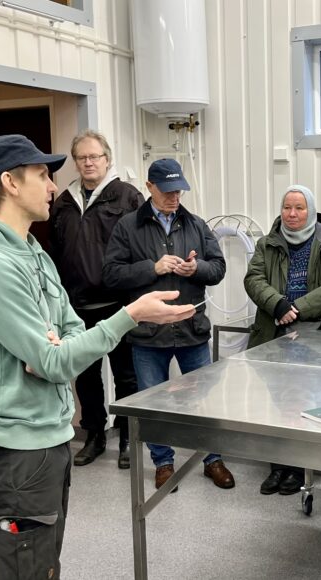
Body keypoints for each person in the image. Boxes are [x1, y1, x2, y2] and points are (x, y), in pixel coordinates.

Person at [0, 134, 194, 580]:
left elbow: (71, 327)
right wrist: (128, 316)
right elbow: (56, 361)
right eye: (42, 175)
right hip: (18, 448)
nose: (51, 186)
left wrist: (52, 348)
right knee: (25, 569)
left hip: (49, 436)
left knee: (43, 564)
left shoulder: (31, 251)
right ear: (9, 182)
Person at [103, 158, 235, 492]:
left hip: (192, 331)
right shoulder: (127, 227)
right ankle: (163, 464)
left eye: (178, 190)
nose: (173, 197)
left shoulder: (196, 224)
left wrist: (198, 269)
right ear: (149, 187)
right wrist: (153, 267)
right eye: (166, 191)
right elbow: (112, 275)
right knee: (153, 407)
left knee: (206, 402)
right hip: (148, 335)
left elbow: (218, 268)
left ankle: (212, 459)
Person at [243, 185, 321, 495]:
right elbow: (253, 278)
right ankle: (278, 465)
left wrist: (297, 308)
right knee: (277, 402)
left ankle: (300, 467)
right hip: (274, 333)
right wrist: (277, 303)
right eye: (287, 207)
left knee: (308, 401)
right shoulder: (267, 243)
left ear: (310, 211)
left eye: (299, 208)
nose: (291, 213)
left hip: (317, 335)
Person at [48, 130, 144, 469]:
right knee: (85, 377)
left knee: (126, 376)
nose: (88, 162)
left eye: (95, 157)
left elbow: (142, 248)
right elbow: (53, 253)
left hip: (118, 305)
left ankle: (128, 437)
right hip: (76, 307)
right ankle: (94, 434)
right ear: (75, 162)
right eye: (82, 158)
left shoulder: (128, 197)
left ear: (108, 159)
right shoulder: (61, 202)